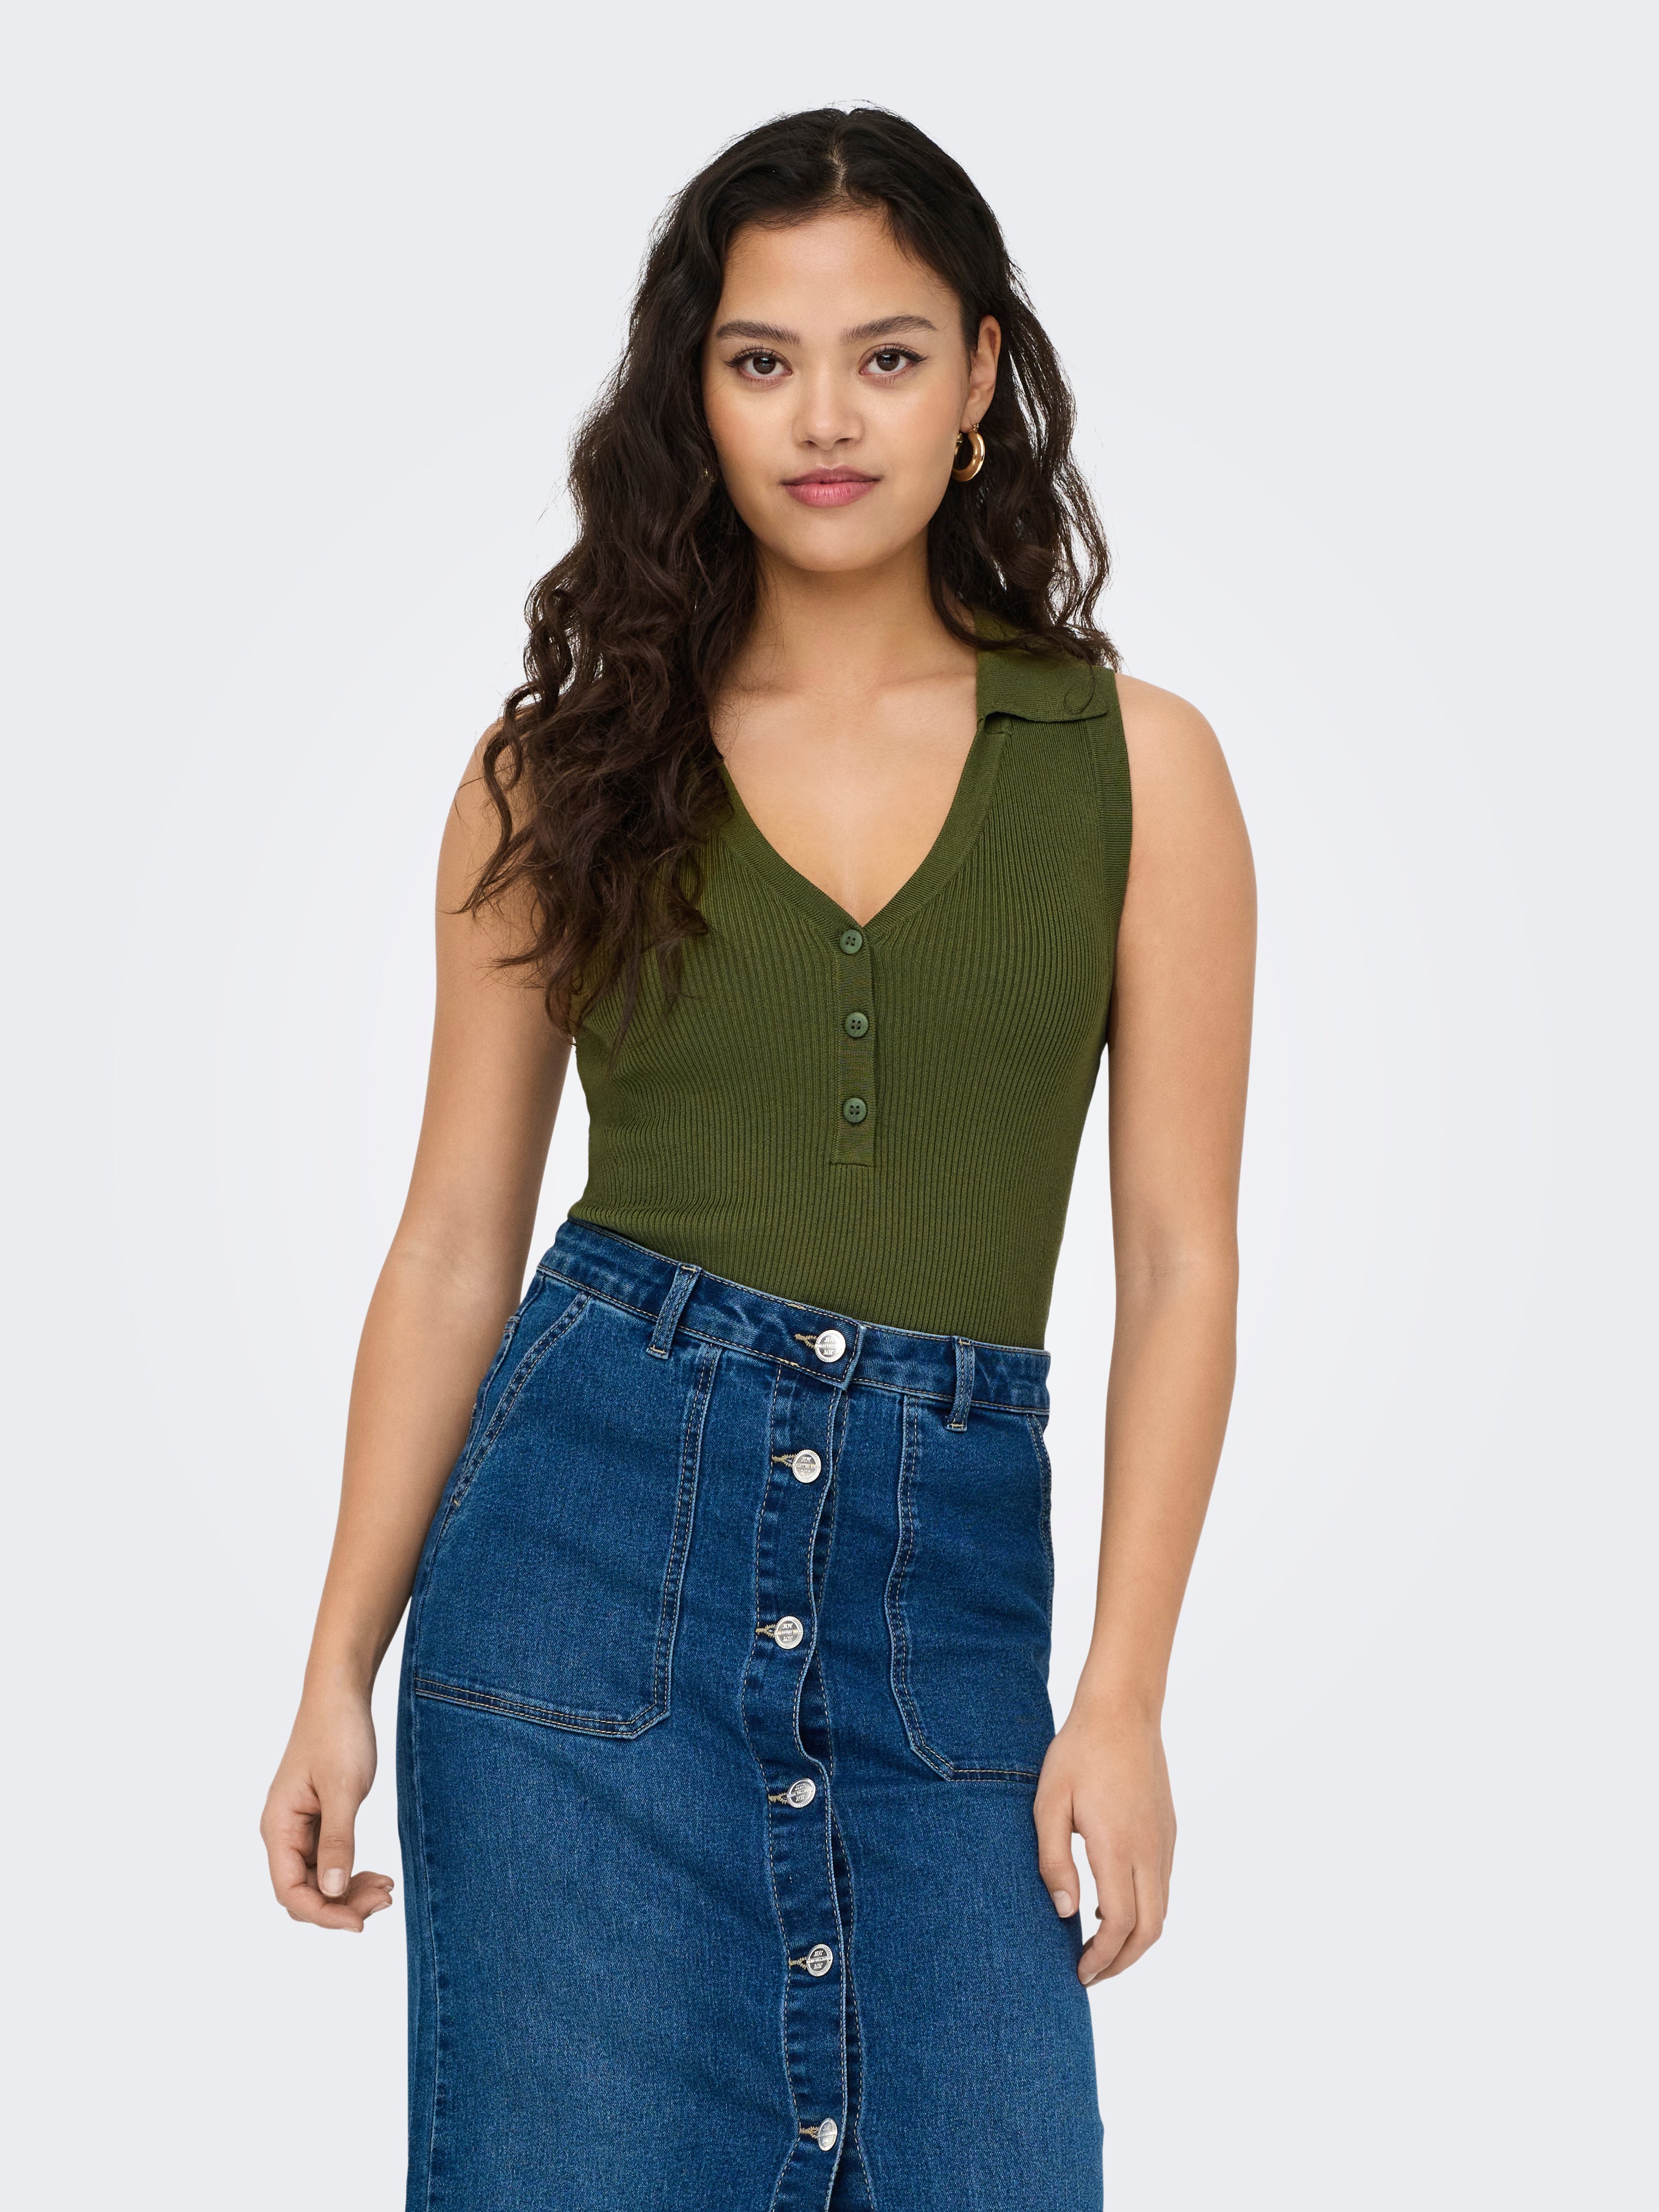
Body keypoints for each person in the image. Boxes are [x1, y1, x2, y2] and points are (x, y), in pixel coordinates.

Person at [261, 105, 1255, 2211]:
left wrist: (1125, 1695)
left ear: (980, 379)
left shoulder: (1134, 768)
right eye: (760, 360)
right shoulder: (556, 769)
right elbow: (454, 1243)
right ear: (688, 392)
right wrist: (337, 1664)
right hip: (577, 1593)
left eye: (885, 356)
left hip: (941, 1617)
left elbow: (1178, 1259)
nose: (823, 418)